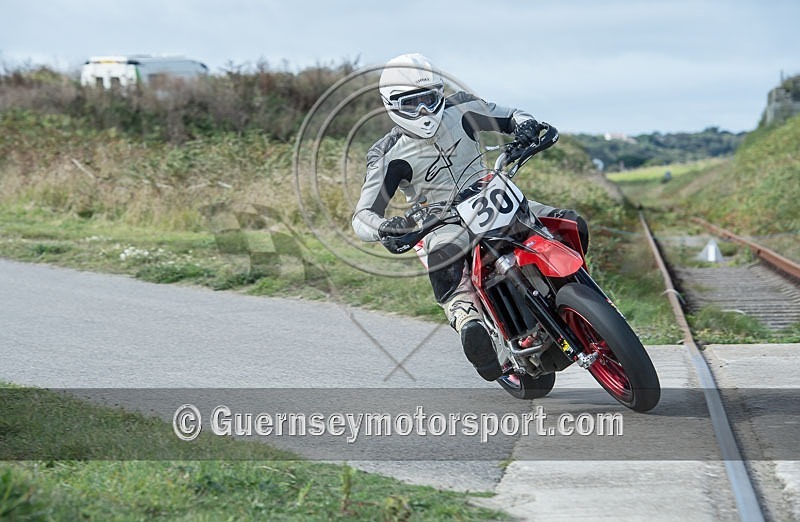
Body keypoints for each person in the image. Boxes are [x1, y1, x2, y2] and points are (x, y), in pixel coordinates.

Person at [352, 53, 588, 381]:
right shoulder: (386, 153)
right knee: (443, 255)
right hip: (441, 220)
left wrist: (526, 126)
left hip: (491, 191)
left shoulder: (462, 107)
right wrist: (384, 227)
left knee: (571, 223)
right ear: (391, 105)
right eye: (412, 103)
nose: (423, 110)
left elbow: (511, 116)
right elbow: (362, 216)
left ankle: (578, 296)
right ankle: (468, 321)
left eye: (429, 99)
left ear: (439, 93)